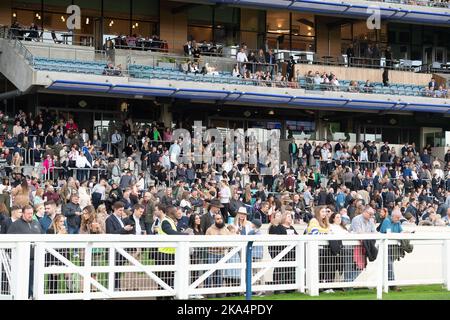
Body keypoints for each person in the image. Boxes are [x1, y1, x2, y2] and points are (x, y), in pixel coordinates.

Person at [7, 205, 43, 299]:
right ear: (23, 213)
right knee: (23, 282)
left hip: (36, 258)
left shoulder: (36, 223)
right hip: (22, 260)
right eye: (28, 214)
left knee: (35, 282)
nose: (30, 215)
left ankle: (32, 297)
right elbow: (8, 241)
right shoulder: (15, 225)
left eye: (32, 213)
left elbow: (42, 237)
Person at [205, 213, 231, 297]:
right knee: (209, 272)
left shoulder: (225, 229)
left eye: (220, 219)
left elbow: (229, 241)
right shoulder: (209, 230)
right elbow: (206, 242)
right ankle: (208, 292)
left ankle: (218, 291)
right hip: (211, 253)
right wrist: (217, 245)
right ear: (214, 220)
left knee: (219, 273)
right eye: (217, 219)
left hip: (221, 254)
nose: (219, 220)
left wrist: (223, 247)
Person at [379, 208, 403, 291]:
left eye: (399, 218)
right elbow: (388, 234)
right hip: (384, 245)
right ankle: (392, 284)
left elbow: (401, 232)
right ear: (392, 216)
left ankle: (390, 284)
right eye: (397, 218)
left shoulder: (398, 222)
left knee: (389, 264)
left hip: (392, 246)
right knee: (389, 264)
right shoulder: (386, 221)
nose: (399, 219)